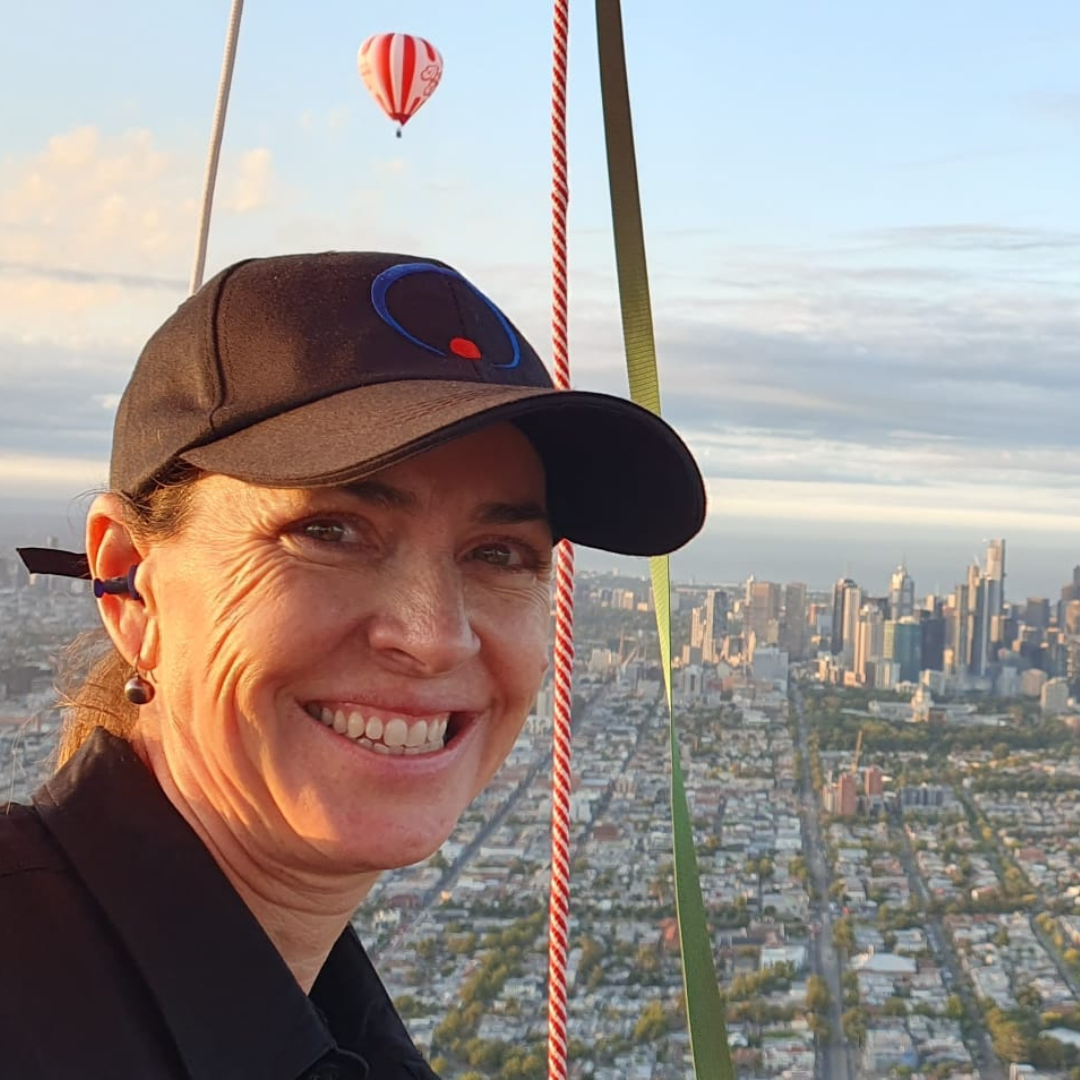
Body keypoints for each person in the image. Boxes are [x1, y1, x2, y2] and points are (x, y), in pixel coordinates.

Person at [1, 250, 705, 1078]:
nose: (434, 635)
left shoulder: (324, 1021)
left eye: (500, 552)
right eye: (329, 531)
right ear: (131, 589)